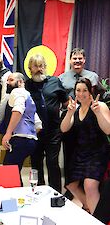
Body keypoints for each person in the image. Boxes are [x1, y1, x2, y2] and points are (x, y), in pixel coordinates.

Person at [60, 78, 110, 214]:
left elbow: (108, 130)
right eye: (78, 90)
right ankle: (91, 209)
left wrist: (98, 113)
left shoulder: (100, 106)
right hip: (81, 153)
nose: (81, 94)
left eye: (84, 90)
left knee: (90, 185)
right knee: (70, 184)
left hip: (98, 152)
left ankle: (97, 219)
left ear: (90, 92)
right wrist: (69, 113)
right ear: (74, 92)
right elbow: (64, 129)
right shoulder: (75, 109)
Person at [59, 48, 99, 199]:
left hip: (89, 118)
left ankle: (88, 185)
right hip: (70, 116)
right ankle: (71, 186)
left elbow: (98, 97)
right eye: (74, 58)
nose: (77, 61)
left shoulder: (93, 77)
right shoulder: (62, 78)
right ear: (70, 61)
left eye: (80, 58)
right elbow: (59, 98)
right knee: (70, 151)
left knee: (87, 149)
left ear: (84, 60)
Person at [25, 54, 68, 192]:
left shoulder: (55, 82)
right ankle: (38, 192)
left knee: (52, 163)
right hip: (34, 132)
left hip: (53, 131)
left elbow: (66, 103)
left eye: (42, 66)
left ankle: (55, 194)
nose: (39, 69)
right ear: (30, 68)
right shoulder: (26, 85)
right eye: (36, 66)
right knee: (36, 163)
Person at [1, 73, 42, 174]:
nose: (7, 82)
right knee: (15, 172)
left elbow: (18, 110)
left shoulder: (17, 91)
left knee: (9, 173)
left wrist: (8, 133)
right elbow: (38, 125)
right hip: (31, 141)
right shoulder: (29, 97)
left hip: (19, 139)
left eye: (11, 80)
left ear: (20, 82)